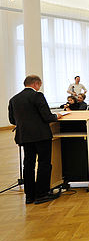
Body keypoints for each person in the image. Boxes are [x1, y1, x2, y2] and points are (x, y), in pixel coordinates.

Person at [8, 75, 63, 204]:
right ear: (36, 84)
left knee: (28, 164)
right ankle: (41, 194)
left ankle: (29, 195)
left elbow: (12, 120)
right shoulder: (37, 96)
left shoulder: (14, 99)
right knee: (44, 163)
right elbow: (47, 116)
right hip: (41, 136)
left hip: (24, 136)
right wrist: (56, 116)